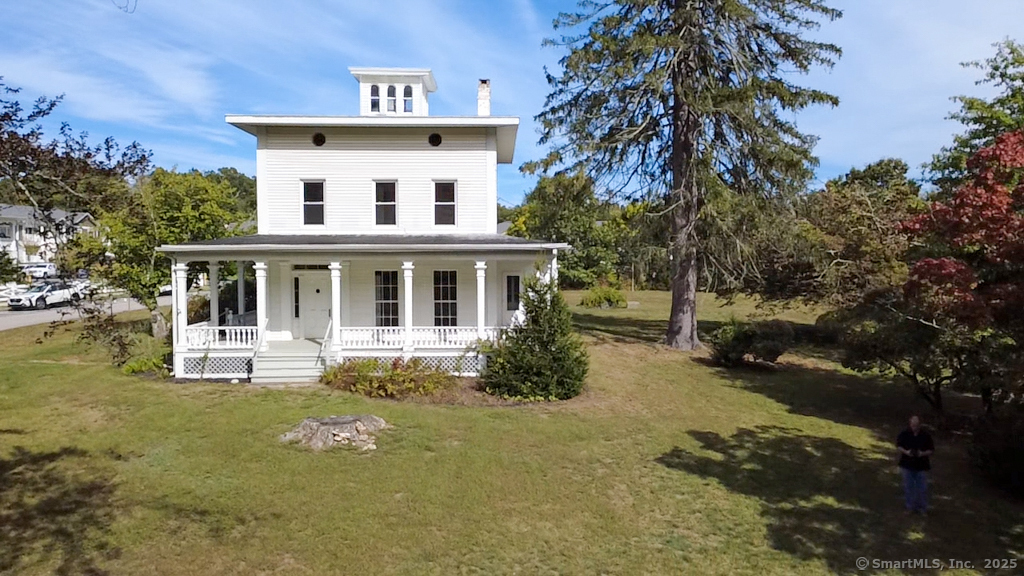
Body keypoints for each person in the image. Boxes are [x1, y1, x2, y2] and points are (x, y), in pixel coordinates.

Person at [896, 415, 934, 515]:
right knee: (909, 487)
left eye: (916, 425)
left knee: (922, 488)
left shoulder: (926, 435)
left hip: (922, 465)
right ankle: (909, 507)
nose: (914, 427)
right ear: (910, 424)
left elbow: (931, 450)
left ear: (919, 425)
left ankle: (922, 508)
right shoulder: (904, 434)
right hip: (907, 464)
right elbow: (899, 446)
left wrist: (922, 453)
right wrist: (906, 452)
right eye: (913, 425)